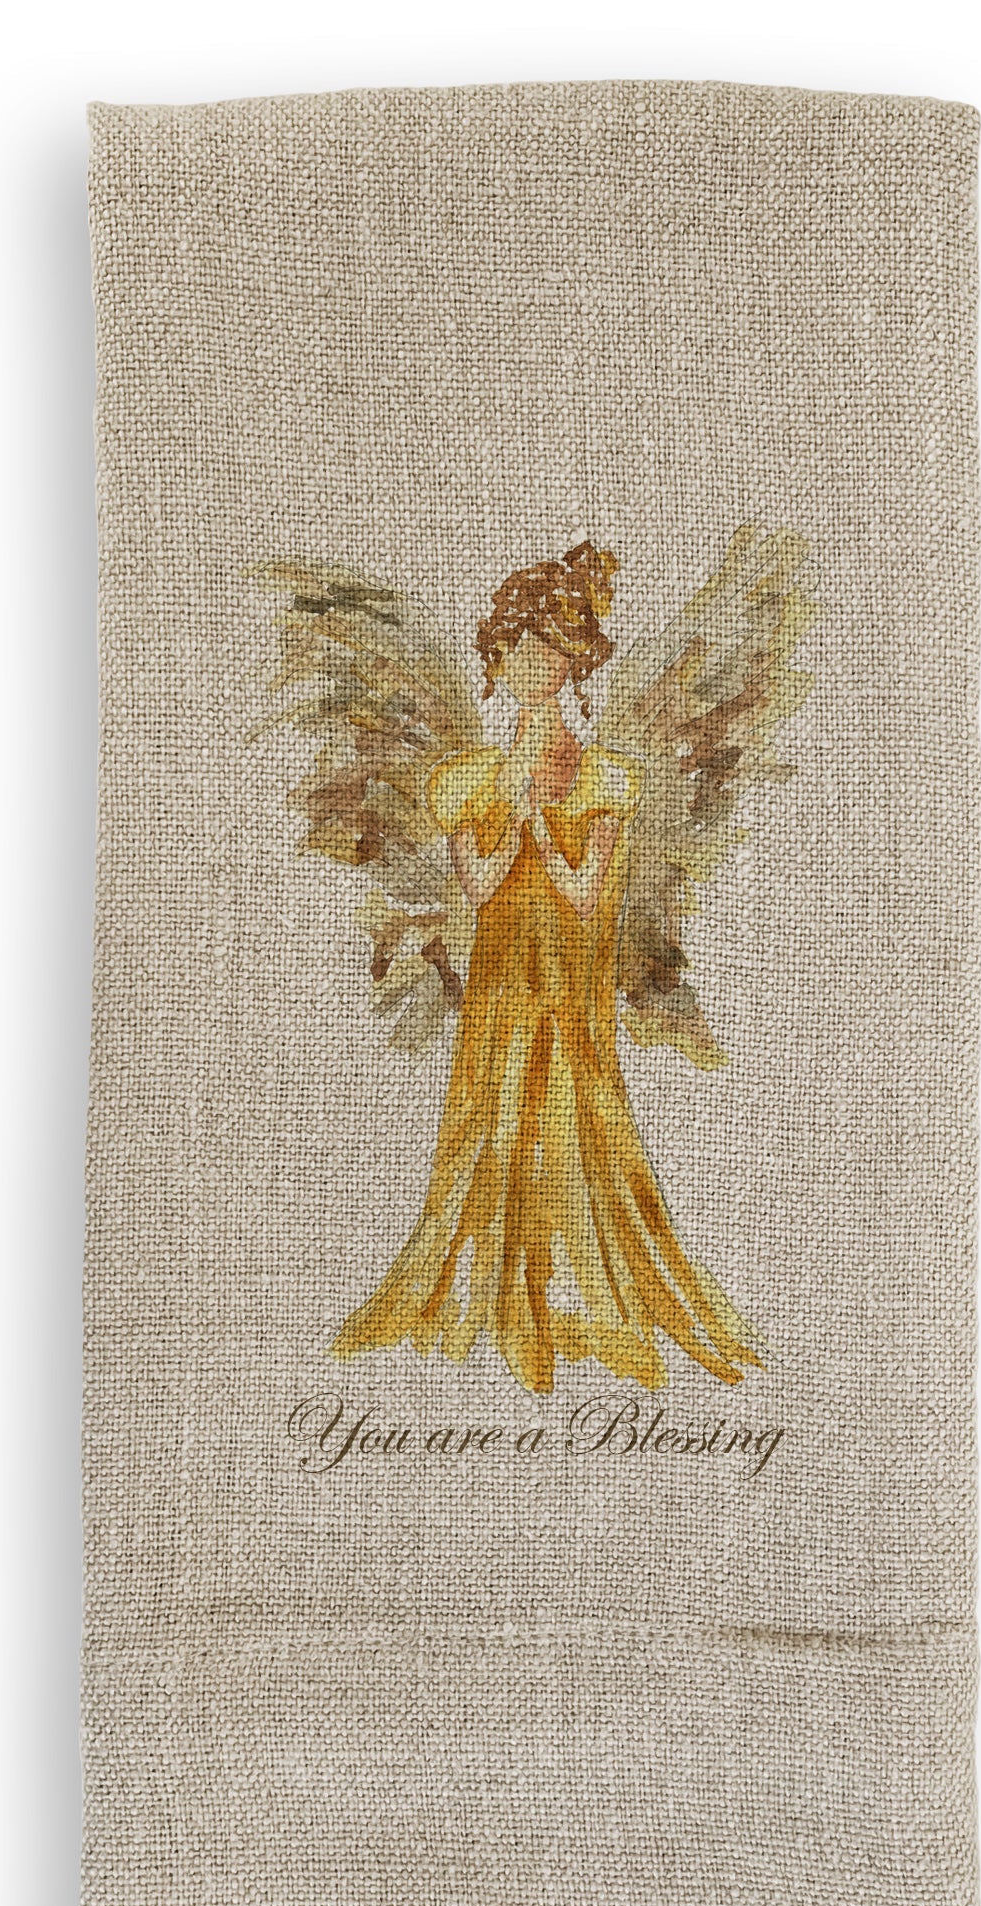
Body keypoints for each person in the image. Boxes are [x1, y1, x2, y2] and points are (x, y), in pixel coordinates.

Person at [332, 544, 763, 1394]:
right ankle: (494, 1288)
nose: (531, 665)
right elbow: (481, 886)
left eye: (548, 651)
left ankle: (580, 1295)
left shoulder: (602, 777)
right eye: (516, 650)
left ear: (572, 663)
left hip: (568, 988)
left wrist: (536, 818)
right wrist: (514, 807)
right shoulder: (468, 780)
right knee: (493, 1118)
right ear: (498, 660)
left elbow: (584, 891)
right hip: (500, 986)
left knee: (575, 1117)